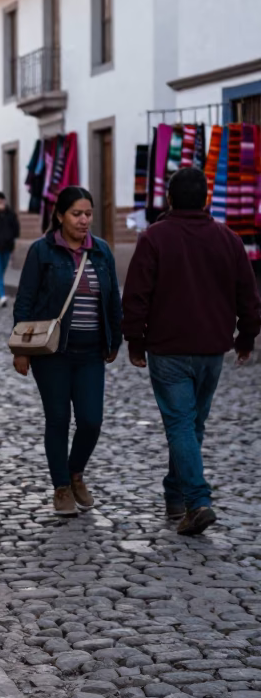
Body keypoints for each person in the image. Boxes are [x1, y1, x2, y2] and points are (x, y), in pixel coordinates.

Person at [122, 166, 261, 536]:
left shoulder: (154, 238)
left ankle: (197, 500)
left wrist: (135, 340)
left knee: (182, 425)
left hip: (168, 350)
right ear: (205, 199)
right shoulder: (228, 239)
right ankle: (175, 495)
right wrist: (246, 338)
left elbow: (136, 295)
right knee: (190, 425)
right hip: (212, 350)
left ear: (169, 199)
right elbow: (249, 296)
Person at [13, 185, 122, 517]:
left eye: (88, 213)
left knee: (91, 421)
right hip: (52, 353)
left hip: (91, 353)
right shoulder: (42, 252)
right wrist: (21, 350)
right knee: (58, 419)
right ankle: (61, 486)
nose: (84, 220)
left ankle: (76, 473)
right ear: (60, 215)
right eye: (77, 214)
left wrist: (114, 340)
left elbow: (112, 299)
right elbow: (25, 300)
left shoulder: (101, 252)